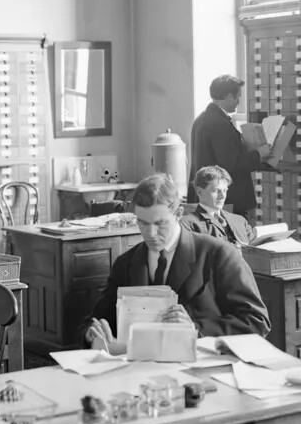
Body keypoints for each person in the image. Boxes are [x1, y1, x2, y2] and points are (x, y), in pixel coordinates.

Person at [83, 173, 269, 350]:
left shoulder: (219, 255)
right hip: (142, 372)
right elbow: (94, 321)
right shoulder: (126, 263)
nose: (151, 234)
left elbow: (256, 321)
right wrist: (91, 333)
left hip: (203, 370)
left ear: (179, 213)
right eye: (143, 223)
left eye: (160, 223)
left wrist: (195, 329)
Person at [189, 74, 272, 221]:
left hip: (206, 195)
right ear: (228, 96)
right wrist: (259, 154)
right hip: (229, 200)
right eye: (237, 96)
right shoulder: (220, 124)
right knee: (238, 238)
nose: (239, 101)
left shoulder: (201, 119)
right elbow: (231, 164)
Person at [181, 165, 254, 247]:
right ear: (199, 191)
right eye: (216, 191)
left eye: (225, 190)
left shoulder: (240, 221)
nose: (222, 196)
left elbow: (257, 251)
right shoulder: (188, 225)